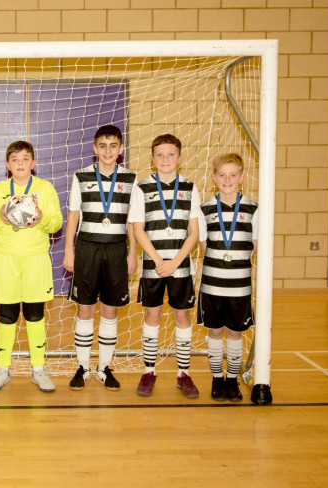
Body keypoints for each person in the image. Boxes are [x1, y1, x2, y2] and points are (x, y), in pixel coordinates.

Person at [0, 140, 63, 393]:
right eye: (15, 159)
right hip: (6, 260)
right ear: (8, 164)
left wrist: (41, 218)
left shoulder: (45, 188)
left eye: (25, 158)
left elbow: (57, 223)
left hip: (36, 259)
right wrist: (0, 216)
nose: (20, 163)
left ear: (33, 163)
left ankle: (38, 370)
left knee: (35, 315)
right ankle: (2, 369)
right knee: (6, 316)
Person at [62, 125, 138, 391]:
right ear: (94, 149)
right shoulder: (81, 176)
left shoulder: (130, 178)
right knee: (85, 310)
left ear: (121, 149)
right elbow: (73, 216)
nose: (108, 151)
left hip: (116, 249)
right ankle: (83, 367)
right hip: (86, 249)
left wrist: (132, 253)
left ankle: (104, 368)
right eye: (102, 146)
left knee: (109, 310)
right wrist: (69, 250)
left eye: (113, 145)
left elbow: (133, 221)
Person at [127, 133, 202, 399]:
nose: (165, 159)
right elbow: (138, 229)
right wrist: (159, 261)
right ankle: (149, 370)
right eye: (159, 154)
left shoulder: (190, 188)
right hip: (154, 267)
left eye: (170, 154)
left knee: (182, 317)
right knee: (152, 316)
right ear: (152, 158)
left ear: (180, 158)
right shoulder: (142, 188)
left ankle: (183, 373)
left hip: (180, 267)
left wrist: (175, 262)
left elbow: (193, 232)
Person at [197, 153, 258, 402]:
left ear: (241, 178)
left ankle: (232, 380)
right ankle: (216, 379)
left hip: (240, 285)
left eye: (233, 175)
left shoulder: (253, 208)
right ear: (214, 178)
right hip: (212, 283)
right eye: (222, 175)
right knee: (215, 332)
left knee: (234, 333)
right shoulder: (205, 209)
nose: (227, 179)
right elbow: (203, 245)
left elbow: (254, 245)